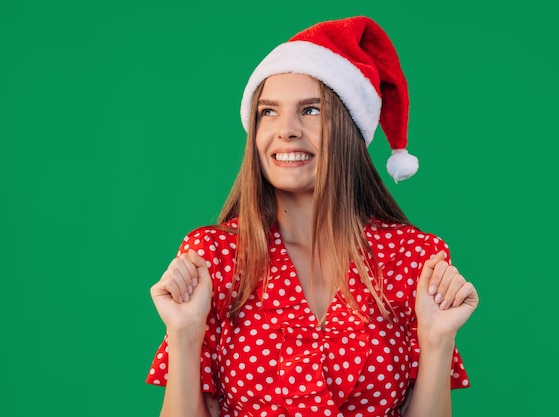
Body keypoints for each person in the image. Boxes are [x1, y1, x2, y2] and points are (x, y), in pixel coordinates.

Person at [146, 16, 479, 417]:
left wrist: (437, 340)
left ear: (348, 126)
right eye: (268, 112)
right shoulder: (214, 257)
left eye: (311, 110)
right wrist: (184, 334)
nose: (286, 130)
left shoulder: (412, 258)